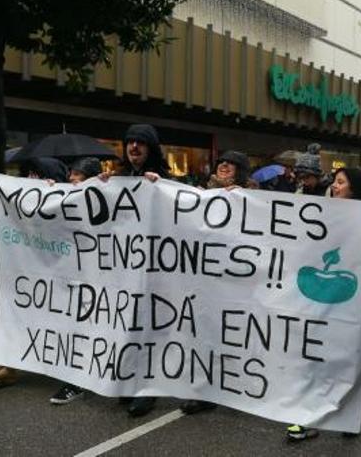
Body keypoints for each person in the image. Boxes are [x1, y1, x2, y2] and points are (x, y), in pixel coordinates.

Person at [286, 167, 361, 442]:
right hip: (320, 299)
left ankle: (349, 411)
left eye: (341, 182)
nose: (334, 186)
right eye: (334, 181)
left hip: (354, 301)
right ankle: (309, 416)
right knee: (317, 355)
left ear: (354, 188)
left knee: (352, 356)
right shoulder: (319, 212)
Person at [99, 124, 169, 417]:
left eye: (141, 143)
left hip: (155, 273)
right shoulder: (118, 178)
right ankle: (129, 381)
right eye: (130, 142)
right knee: (126, 328)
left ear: (151, 148)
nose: (134, 147)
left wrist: (162, 185)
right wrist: (100, 187)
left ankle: (148, 389)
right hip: (125, 270)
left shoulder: (167, 180)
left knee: (150, 331)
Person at [0, 157, 69, 387]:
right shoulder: (26, 197)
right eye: (29, 174)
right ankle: (9, 367)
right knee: (18, 312)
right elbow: (3, 208)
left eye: (37, 175)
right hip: (30, 272)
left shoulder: (64, 199)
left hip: (60, 272)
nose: (31, 179)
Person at [180, 150, 254, 418]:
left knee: (235, 337)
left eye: (232, 163)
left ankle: (239, 384)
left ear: (241, 171)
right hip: (205, 280)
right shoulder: (200, 193)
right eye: (222, 161)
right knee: (204, 336)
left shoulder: (254, 198)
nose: (224, 165)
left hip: (238, 282)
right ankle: (205, 392)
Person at [49, 157, 101, 406]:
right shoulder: (65, 198)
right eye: (70, 174)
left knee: (89, 328)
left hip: (99, 280)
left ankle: (81, 378)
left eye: (77, 175)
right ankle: (77, 377)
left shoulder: (106, 202)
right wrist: (44, 192)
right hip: (71, 277)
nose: (70, 179)